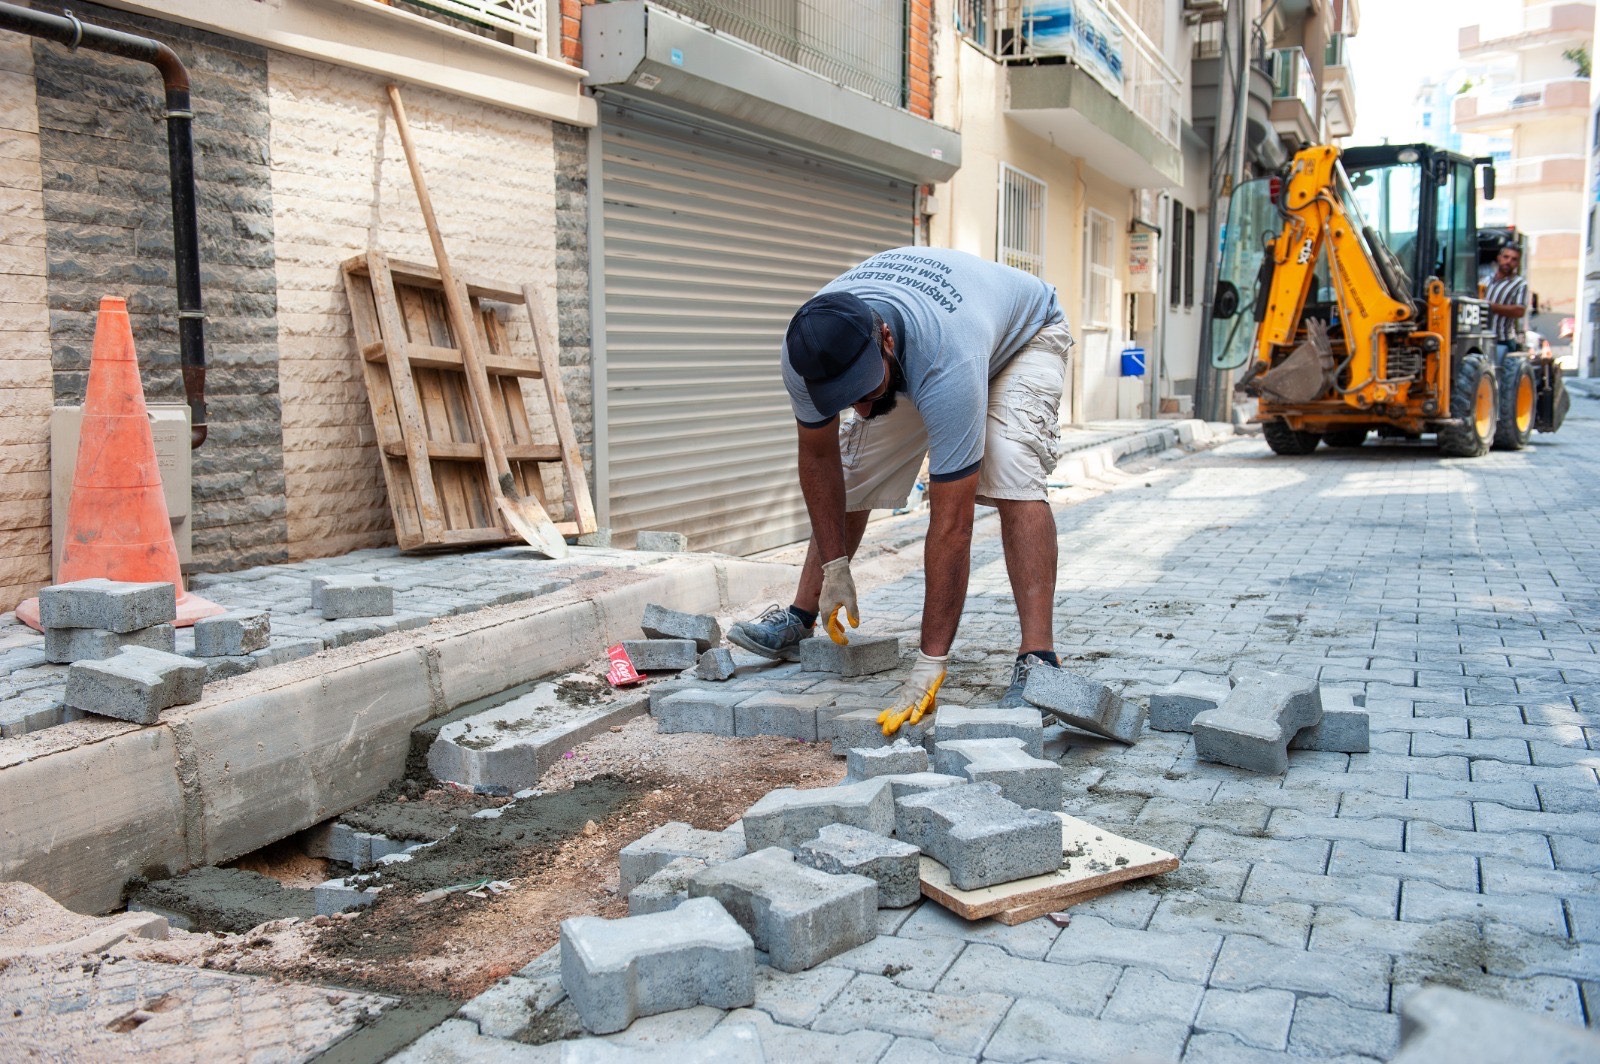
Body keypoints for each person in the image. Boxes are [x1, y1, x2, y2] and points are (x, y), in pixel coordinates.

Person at [726, 247, 1074, 734]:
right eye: (847, 398)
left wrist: (931, 659)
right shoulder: (807, 351)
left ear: (884, 339)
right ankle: (802, 615)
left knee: (1011, 468)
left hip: (1021, 337)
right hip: (930, 343)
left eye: (865, 391)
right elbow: (820, 459)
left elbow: (952, 524)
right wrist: (834, 565)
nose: (863, 410)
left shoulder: (947, 357)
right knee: (855, 466)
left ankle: (1038, 657)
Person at [1484, 244, 1528, 360]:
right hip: (1481, 337)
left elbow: (1519, 311)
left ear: (1518, 264)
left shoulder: (1519, 284)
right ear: (1499, 258)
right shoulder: (1486, 280)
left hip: (1502, 340)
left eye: (1514, 259)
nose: (1508, 261)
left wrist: (1491, 307)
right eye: (1506, 257)